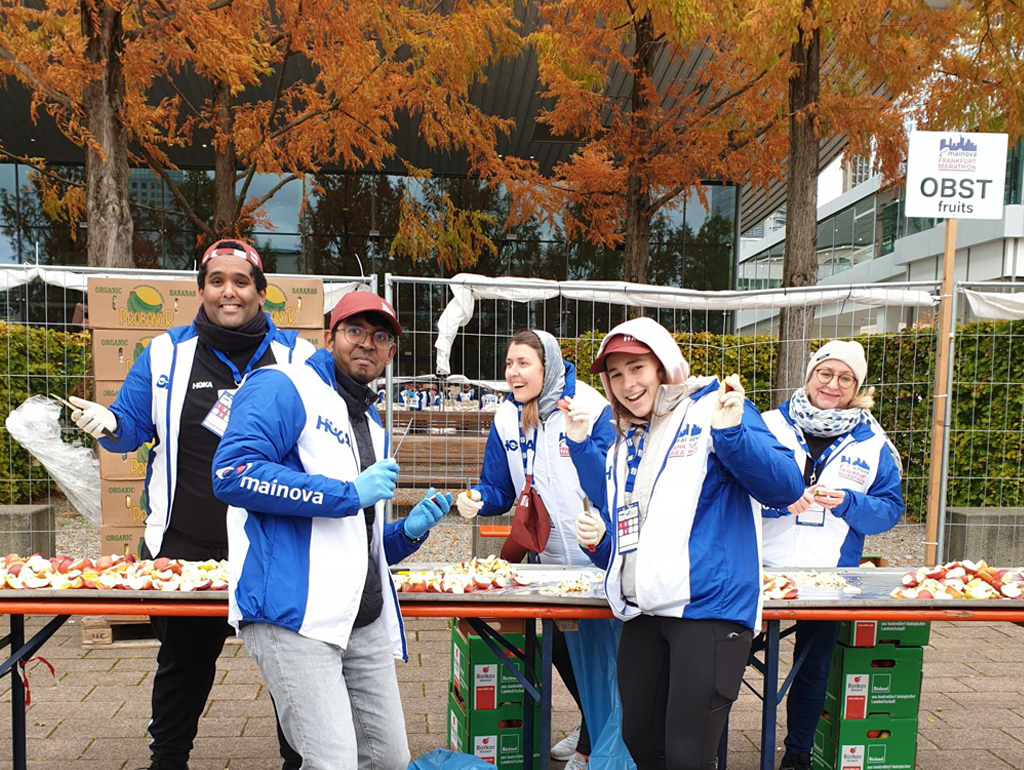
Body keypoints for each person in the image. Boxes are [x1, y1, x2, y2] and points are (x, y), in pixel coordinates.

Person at [69, 239, 311, 770]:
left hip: (274, 548)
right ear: (200, 289)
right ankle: (168, 762)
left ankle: (301, 761)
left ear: (261, 292)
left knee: (291, 671)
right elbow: (129, 427)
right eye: (217, 280)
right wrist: (109, 425)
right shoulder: (165, 353)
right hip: (186, 547)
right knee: (183, 666)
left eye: (241, 281)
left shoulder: (299, 358)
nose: (229, 291)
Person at [211, 292, 452, 770]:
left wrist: (408, 531)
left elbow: (353, 542)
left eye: (381, 336)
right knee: (334, 763)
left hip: (360, 621)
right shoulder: (284, 385)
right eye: (355, 331)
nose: (367, 344)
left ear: (391, 353)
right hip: (294, 616)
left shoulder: (371, 419)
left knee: (388, 760)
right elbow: (232, 474)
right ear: (330, 337)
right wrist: (346, 494)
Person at [571, 317, 805, 770]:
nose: (626, 383)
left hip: (709, 611)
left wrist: (733, 434)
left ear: (663, 366)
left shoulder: (711, 409)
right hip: (647, 611)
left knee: (687, 755)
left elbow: (786, 487)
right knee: (640, 741)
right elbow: (633, 537)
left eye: (636, 367)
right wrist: (601, 545)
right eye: (615, 374)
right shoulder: (625, 443)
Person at [455, 329, 616, 770]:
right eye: (509, 364)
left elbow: (612, 477)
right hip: (548, 565)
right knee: (562, 652)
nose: (513, 372)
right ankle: (591, 726)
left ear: (548, 366)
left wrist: (605, 524)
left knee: (607, 658)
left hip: (597, 557)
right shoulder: (507, 416)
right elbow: (499, 488)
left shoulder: (586, 406)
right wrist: (478, 500)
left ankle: (594, 743)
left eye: (524, 363)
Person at [759, 340, 904, 770]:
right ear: (809, 375)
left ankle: (798, 754)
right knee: (724, 660)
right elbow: (734, 487)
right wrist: (779, 502)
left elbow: (890, 510)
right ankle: (710, 746)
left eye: (845, 378)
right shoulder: (766, 425)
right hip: (758, 568)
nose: (833, 384)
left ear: (857, 387)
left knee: (813, 665)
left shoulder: (873, 442)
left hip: (830, 577)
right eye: (825, 373)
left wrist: (847, 503)